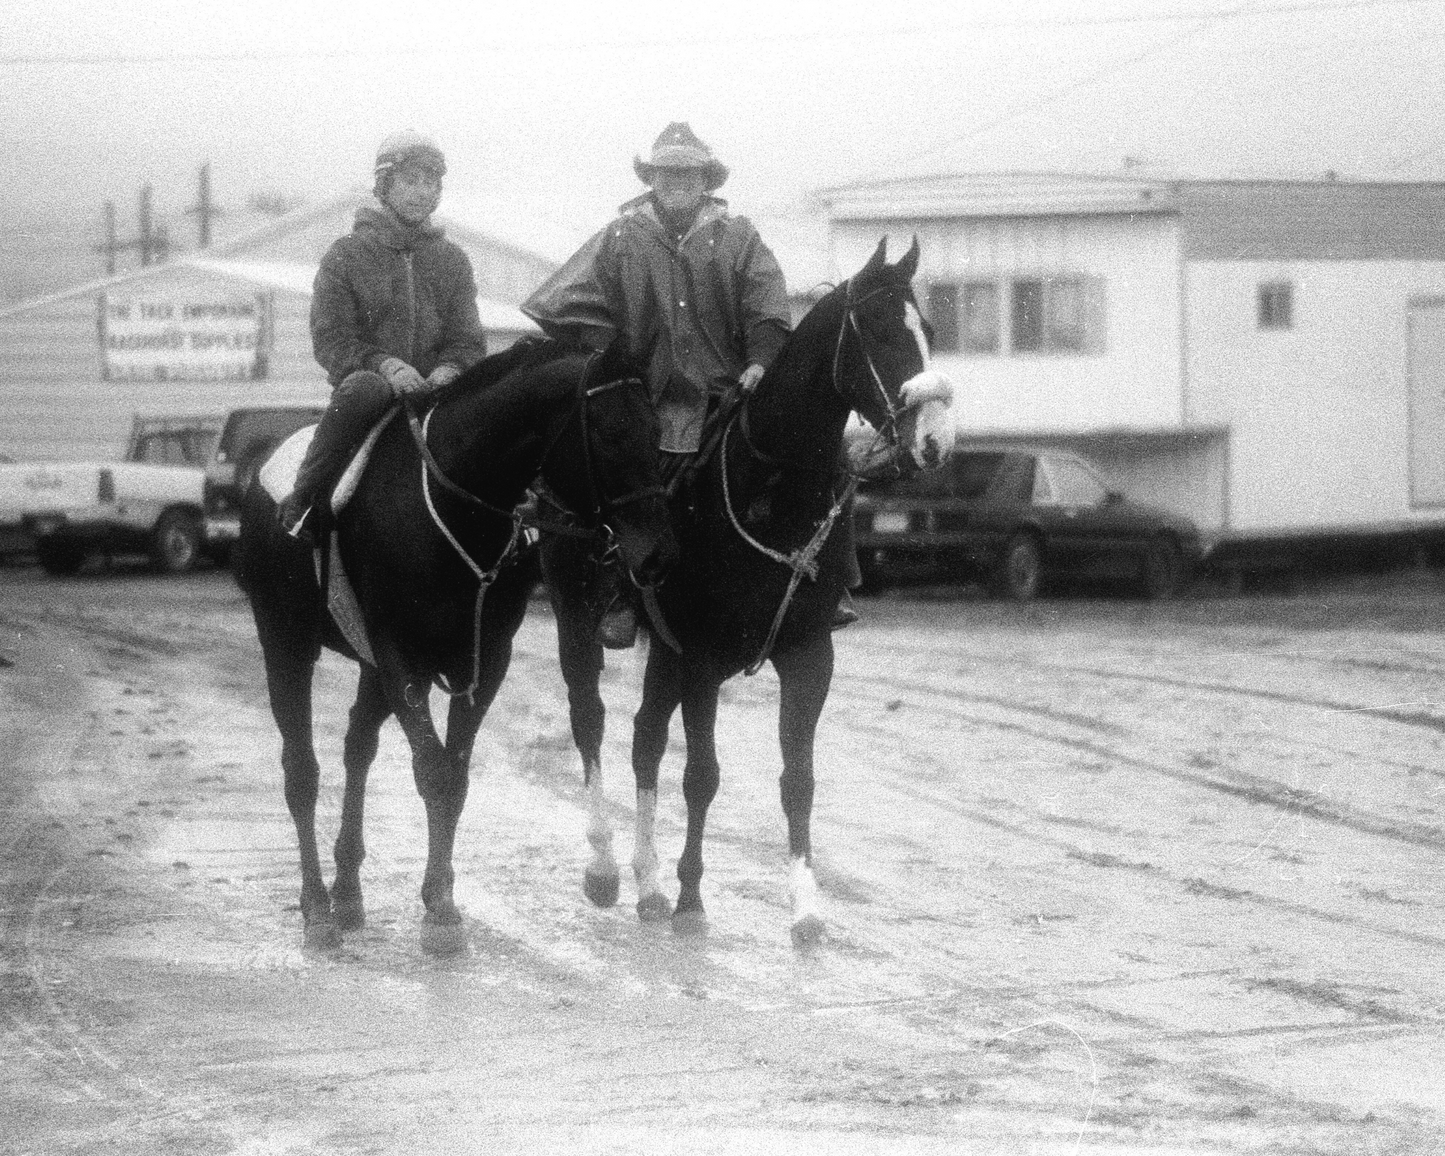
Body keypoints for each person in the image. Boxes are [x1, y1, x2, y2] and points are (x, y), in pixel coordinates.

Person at [523, 122, 856, 646]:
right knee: (619, 484)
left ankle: (834, 582)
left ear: (706, 180)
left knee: (817, 453)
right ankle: (623, 596)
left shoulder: (740, 237)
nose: (677, 181)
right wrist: (612, 361)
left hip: (730, 393)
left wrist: (760, 362)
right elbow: (568, 303)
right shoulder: (618, 238)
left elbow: (767, 311)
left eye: (688, 172)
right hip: (645, 400)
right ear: (650, 177)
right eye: (666, 172)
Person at [278, 130, 488, 538]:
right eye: (410, 181)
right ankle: (304, 501)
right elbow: (332, 340)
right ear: (384, 186)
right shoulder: (345, 256)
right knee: (363, 389)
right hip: (374, 393)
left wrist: (450, 368)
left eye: (431, 182)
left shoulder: (453, 260)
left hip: (437, 387)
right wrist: (387, 367)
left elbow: (467, 337)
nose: (422, 192)